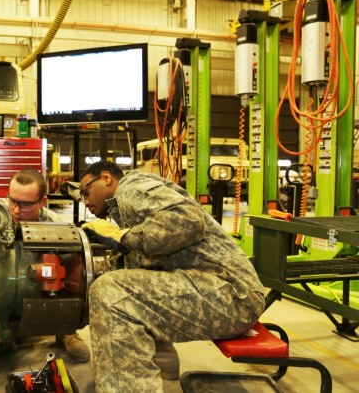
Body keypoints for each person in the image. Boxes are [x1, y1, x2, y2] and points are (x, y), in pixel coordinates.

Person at [79, 161, 265, 392]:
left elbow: (188, 220)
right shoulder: (127, 205)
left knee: (110, 293)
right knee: (125, 283)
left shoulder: (130, 189)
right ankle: (164, 367)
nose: (86, 201)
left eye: (86, 191)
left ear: (106, 178)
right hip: (219, 290)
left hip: (233, 294)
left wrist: (126, 238)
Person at [4, 169, 91, 363]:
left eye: (26, 204)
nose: (16, 210)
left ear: (42, 202)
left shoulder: (54, 224)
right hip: (4, 293)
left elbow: (71, 271)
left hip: (39, 290)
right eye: (12, 200)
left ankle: (65, 331)